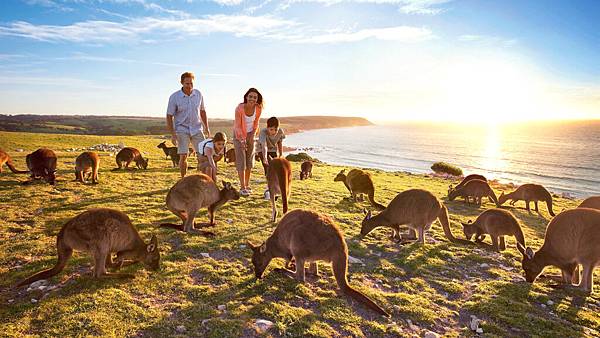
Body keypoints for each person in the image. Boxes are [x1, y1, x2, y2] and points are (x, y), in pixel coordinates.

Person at [166, 72, 210, 178]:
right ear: (182, 83)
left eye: (191, 83)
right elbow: (169, 116)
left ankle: (204, 180)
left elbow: (202, 111)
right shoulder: (174, 97)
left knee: (203, 156)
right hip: (182, 129)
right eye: (187, 83)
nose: (189, 86)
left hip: (196, 129)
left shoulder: (198, 94)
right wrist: (173, 134)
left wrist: (207, 127)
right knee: (183, 156)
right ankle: (183, 179)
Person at [233, 88, 262, 197]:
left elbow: (256, 123)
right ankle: (242, 187)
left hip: (250, 134)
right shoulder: (239, 108)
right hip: (238, 135)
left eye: (255, 97)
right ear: (246, 97)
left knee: (249, 160)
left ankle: (247, 184)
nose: (252, 99)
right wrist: (242, 140)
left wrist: (252, 135)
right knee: (241, 160)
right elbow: (237, 126)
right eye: (250, 96)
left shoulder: (258, 108)